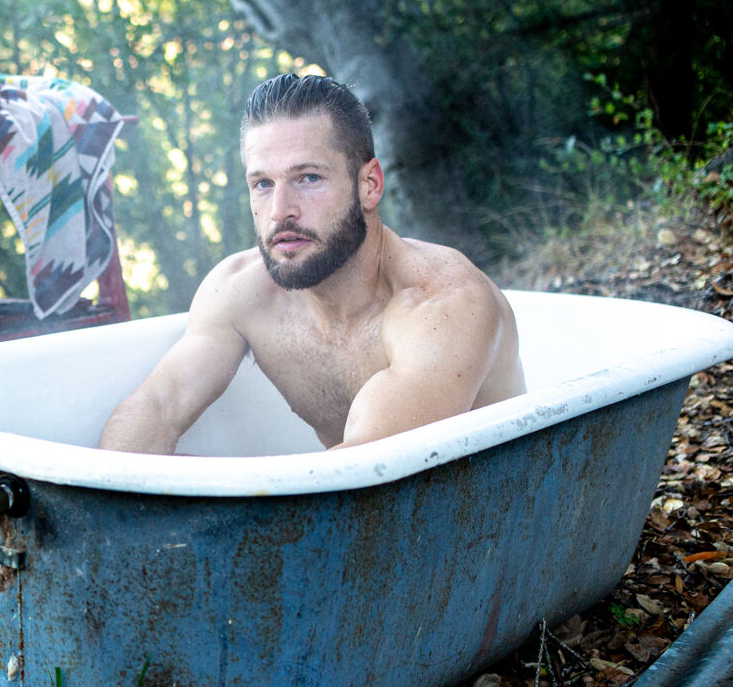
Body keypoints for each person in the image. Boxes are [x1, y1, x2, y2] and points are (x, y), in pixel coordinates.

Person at [98, 73, 525, 454]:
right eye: (262, 184)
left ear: (369, 185)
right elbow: (156, 406)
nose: (280, 211)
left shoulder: (443, 305)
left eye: (308, 178)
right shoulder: (241, 291)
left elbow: (362, 475)